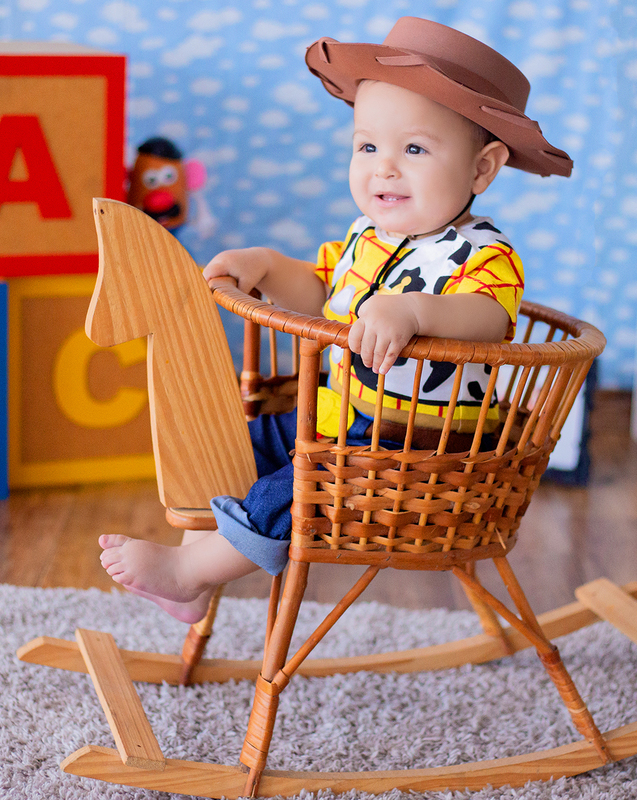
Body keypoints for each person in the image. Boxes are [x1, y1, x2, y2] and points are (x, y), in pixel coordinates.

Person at [100, 17, 572, 623]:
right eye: (367, 146)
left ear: (482, 170)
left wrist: (414, 308)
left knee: (296, 486)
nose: (384, 168)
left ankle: (190, 572)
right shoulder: (365, 237)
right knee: (230, 445)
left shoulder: (483, 255)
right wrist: (268, 265)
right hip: (338, 414)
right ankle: (193, 582)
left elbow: (487, 318)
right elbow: (320, 289)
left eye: (415, 149)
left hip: (418, 446)